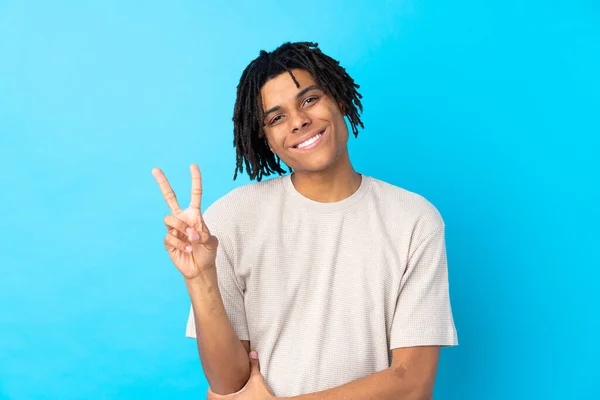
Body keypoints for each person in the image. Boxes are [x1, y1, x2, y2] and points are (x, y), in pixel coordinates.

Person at [152, 41, 458, 399]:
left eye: (309, 100)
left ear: (339, 99)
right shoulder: (232, 218)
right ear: (266, 139)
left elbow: (412, 385)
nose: (299, 121)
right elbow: (230, 385)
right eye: (277, 118)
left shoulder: (414, 220)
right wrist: (201, 277)